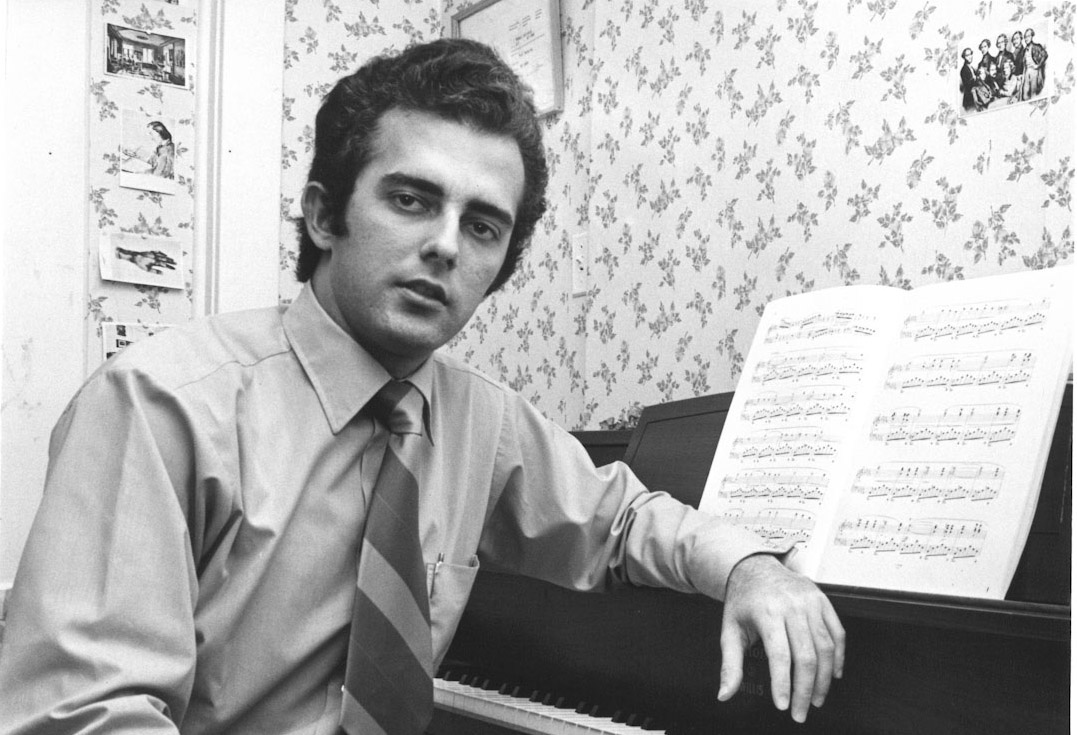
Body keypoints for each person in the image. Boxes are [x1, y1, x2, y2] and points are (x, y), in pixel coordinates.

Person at [0, 38, 843, 734]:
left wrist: (751, 568)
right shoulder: (156, 404)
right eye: (410, 199)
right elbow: (85, 716)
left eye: (482, 226)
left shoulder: (482, 419)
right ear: (326, 215)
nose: (445, 246)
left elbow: (622, 520)